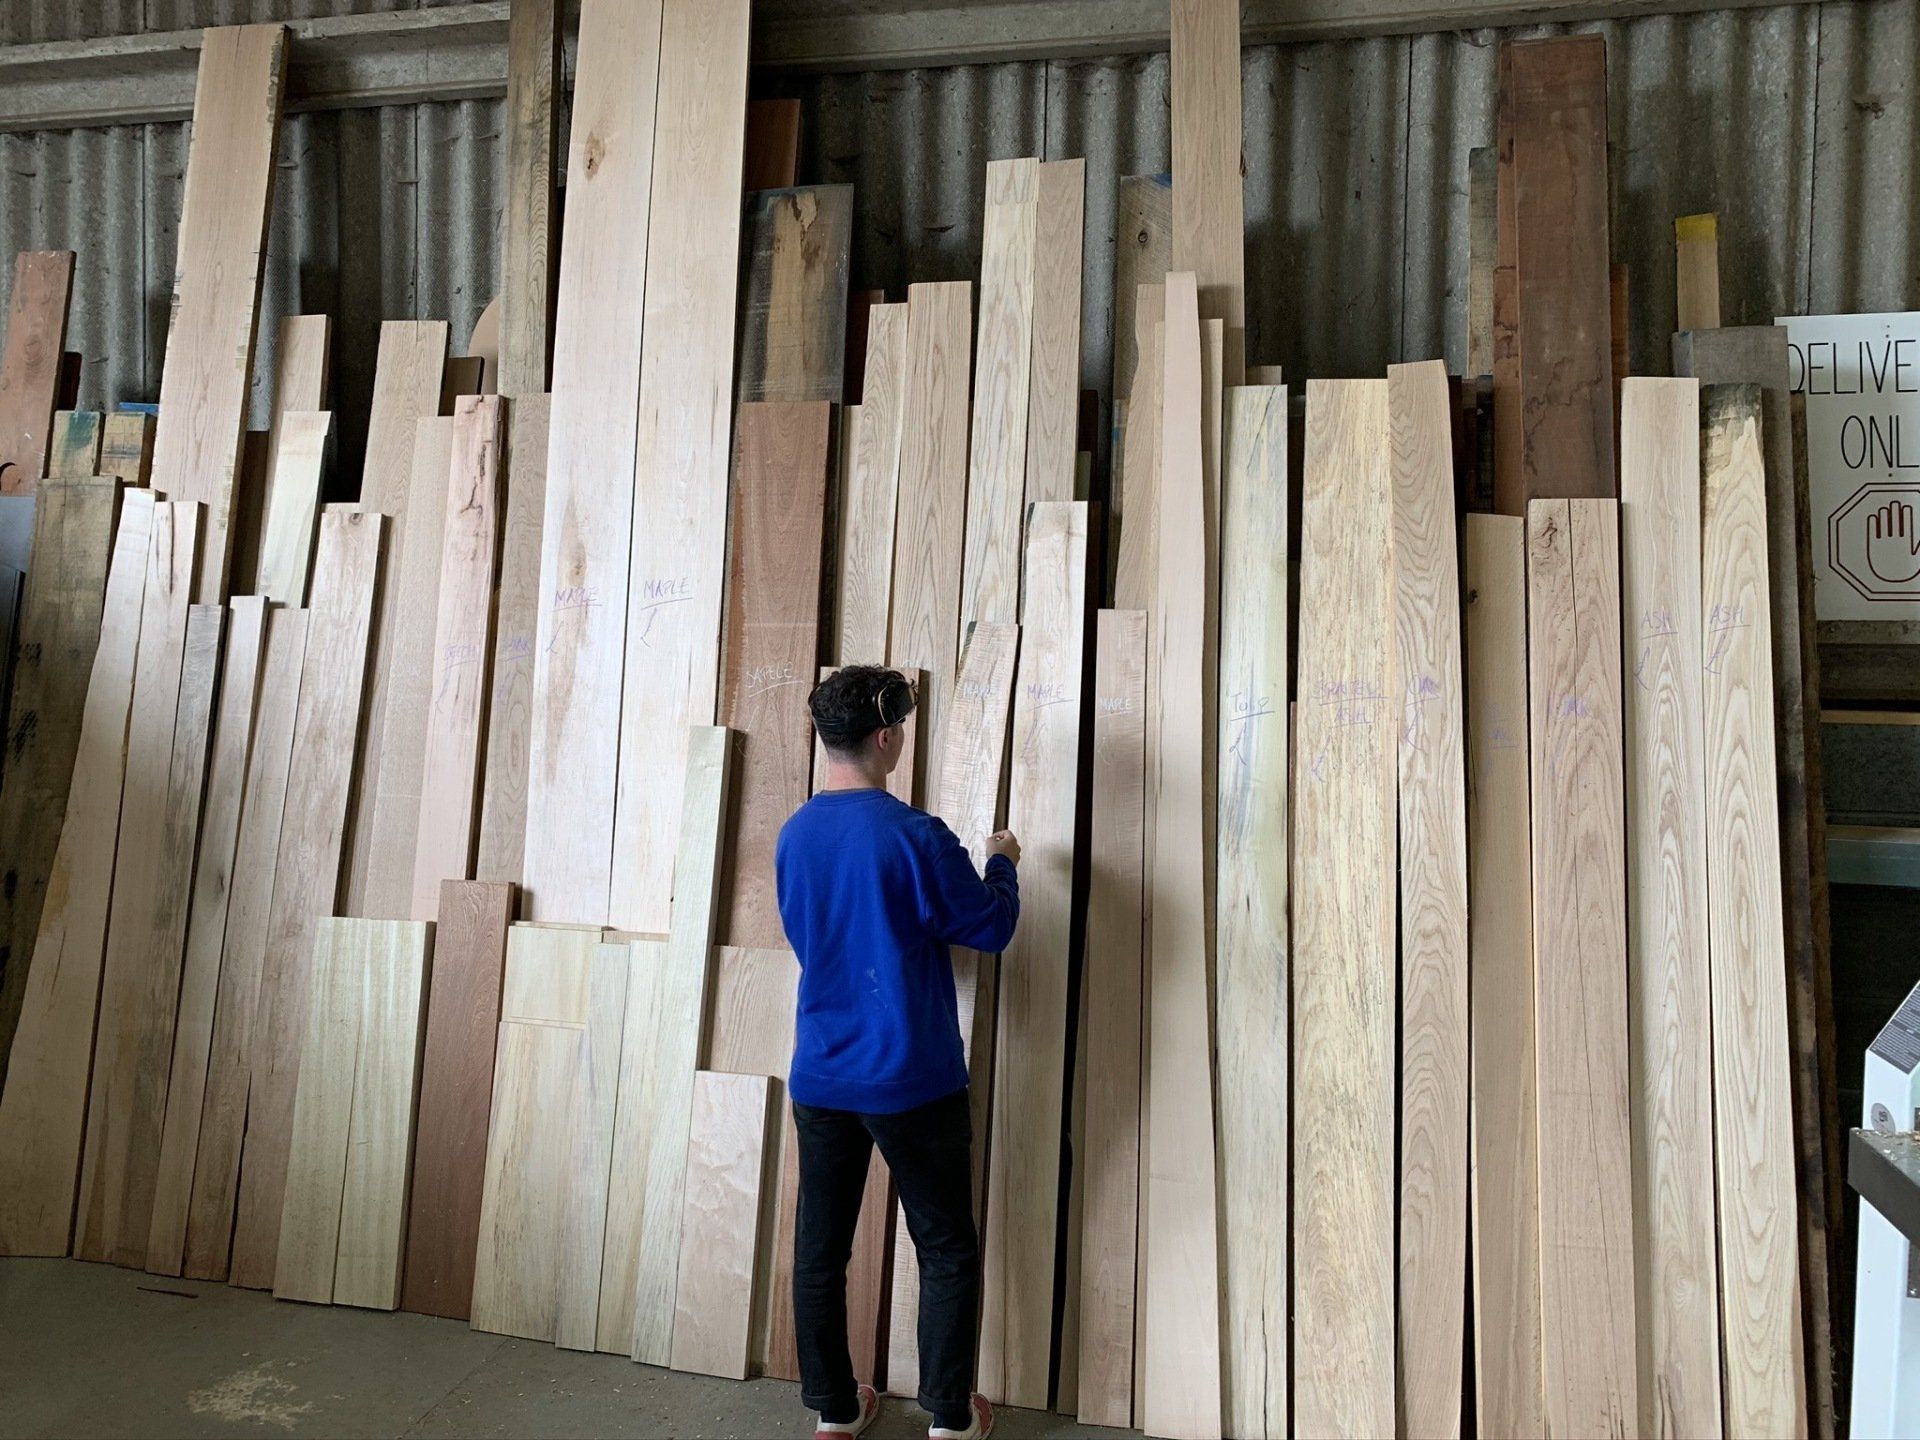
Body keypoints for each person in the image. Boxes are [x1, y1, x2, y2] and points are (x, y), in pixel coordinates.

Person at [775, 665, 1021, 1440]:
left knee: (820, 1253)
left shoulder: (795, 834)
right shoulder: (914, 836)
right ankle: (949, 1419)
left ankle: (836, 1414)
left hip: (822, 1074)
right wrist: (1003, 862)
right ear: (886, 737)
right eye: (902, 727)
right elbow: (990, 927)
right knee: (944, 1248)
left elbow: (811, 936)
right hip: (912, 1078)